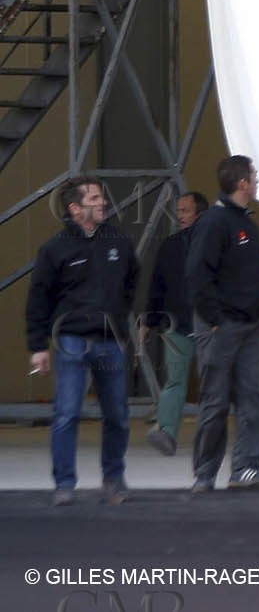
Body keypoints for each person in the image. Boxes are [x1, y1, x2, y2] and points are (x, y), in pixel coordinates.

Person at [25, 176, 138, 507]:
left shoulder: (119, 242)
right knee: (67, 413)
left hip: (110, 342)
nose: (102, 202)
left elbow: (132, 281)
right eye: (94, 198)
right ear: (75, 208)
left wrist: (117, 316)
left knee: (116, 414)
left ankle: (113, 480)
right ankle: (64, 483)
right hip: (71, 340)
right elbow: (38, 300)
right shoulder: (54, 249)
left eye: (102, 197)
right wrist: (37, 347)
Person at [187, 155, 259, 493]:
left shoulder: (247, 223)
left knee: (253, 397)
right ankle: (205, 473)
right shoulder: (214, 223)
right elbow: (197, 274)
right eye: (253, 175)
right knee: (216, 401)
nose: (256, 180)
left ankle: (246, 469)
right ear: (242, 183)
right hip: (222, 326)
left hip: (251, 325)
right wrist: (213, 319)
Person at [140, 190, 207, 456]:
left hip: (209, 326)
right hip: (177, 326)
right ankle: (166, 432)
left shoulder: (213, 243)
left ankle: (224, 435)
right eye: (178, 211)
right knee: (174, 382)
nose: (179, 216)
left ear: (199, 214)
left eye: (185, 211)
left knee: (215, 386)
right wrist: (147, 321)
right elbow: (156, 286)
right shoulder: (169, 246)